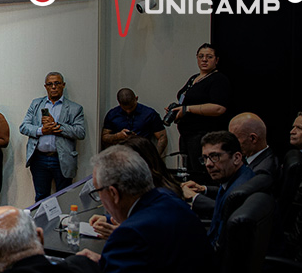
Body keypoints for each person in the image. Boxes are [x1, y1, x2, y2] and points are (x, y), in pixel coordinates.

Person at [77, 145, 212, 273]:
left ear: (113, 193)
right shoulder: (170, 199)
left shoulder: (130, 234)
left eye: (98, 192)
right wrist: (105, 262)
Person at [180, 112, 277, 218]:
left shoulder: (262, 171)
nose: (229, 144)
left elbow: (231, 208)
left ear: (253, 139)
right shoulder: (255, 159)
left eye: (234, 139)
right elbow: (233, 190)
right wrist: (203, 189)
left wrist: (195, 197)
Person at [167, 43, 231, 183]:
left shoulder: (218, 79)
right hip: (186, 135)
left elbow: (219, 108)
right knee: (187, 172)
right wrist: (178, 110)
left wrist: (187, 109)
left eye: (209, 57)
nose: (204, 60)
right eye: (201, 56)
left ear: (217, 60)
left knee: (200, 173)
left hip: (202, 135)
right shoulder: (193, 78)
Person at [19, 72, 87, 201]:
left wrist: (57, 126)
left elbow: (80, 132)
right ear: (46, 87)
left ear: (63, 85)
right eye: (50, 84)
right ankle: (41, 222)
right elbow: (24, 127)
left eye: (57, 83)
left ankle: (63, 222)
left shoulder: (75, 108)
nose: (54, 87)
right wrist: (42, 130)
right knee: (41, 198)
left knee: (63, 198)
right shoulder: (36, 104)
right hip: (39, 159)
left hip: (62, 159)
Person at [184, 131, 254, 249]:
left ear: (236, 158)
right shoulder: (235, 178)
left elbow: (220, 245)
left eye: (215, 157)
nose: (208, 164)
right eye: (205, 158)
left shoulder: (237, 194)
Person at [101, 88, 167, 155]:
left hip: (142, 153)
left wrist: (155, 158)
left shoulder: (149, 114)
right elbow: (104, 137)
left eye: (131, 107)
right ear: (119, 102)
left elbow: (162, 137)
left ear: (136, 98)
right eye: (125, 108)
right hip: (120, 155)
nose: (128, 111)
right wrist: (118, 136)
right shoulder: (112, 114)